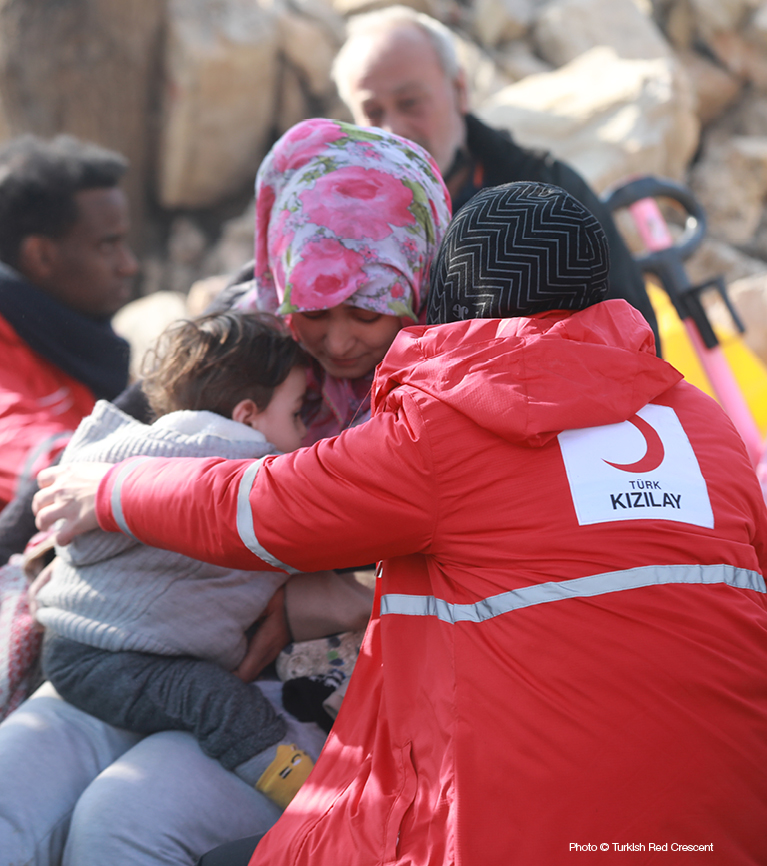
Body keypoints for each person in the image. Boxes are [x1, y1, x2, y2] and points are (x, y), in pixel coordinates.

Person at [35, 181, 767, 865]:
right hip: (727, 826)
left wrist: (108, 489)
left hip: (522, 831)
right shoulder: (700, 424)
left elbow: (258, 507)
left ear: (440, 291)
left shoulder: (451, 426)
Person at [0, 119, 451, 866]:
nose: (337, 343)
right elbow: (114, 441)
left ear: (416, 276)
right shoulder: (242, 344)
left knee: (122, 823)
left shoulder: (448, 384)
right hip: (135, 646)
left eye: (367, 312)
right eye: (313, 310)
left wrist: (300, 598)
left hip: (321, 691)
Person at [36, 310, 329, 809]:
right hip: (109, 657)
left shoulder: (141, 450)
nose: (305, 433)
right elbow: (295, 528)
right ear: (246, 416)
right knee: (211, 699)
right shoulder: (237, 464)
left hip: (80, 645)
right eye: (298, 413)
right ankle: (304, 793)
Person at [330, 5, 662, 351]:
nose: (394, 129)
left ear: (460, 89)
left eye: (410, 102)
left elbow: (635, 335)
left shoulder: (549, 195)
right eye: (372, 112)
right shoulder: (338, 225)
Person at [0, 133, 137, 553]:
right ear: (41, 256)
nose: (129, 265)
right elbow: (44, 462)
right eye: (107, 244)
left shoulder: (67, 337)